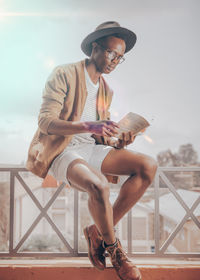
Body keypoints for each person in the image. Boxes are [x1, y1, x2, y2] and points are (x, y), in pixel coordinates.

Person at [26, 21, 157, 280]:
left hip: (90, 148)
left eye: (120, 57)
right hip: (61, 151)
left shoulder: (106, 90)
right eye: (111, 53)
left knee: (148, 166)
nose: (114, 61)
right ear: (94, 48)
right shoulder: (63, 73)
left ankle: (97, 231)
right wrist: (89, 124)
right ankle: (115, 250)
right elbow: (45, 122)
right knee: (99, 186)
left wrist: (118, 141)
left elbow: (98, 135)